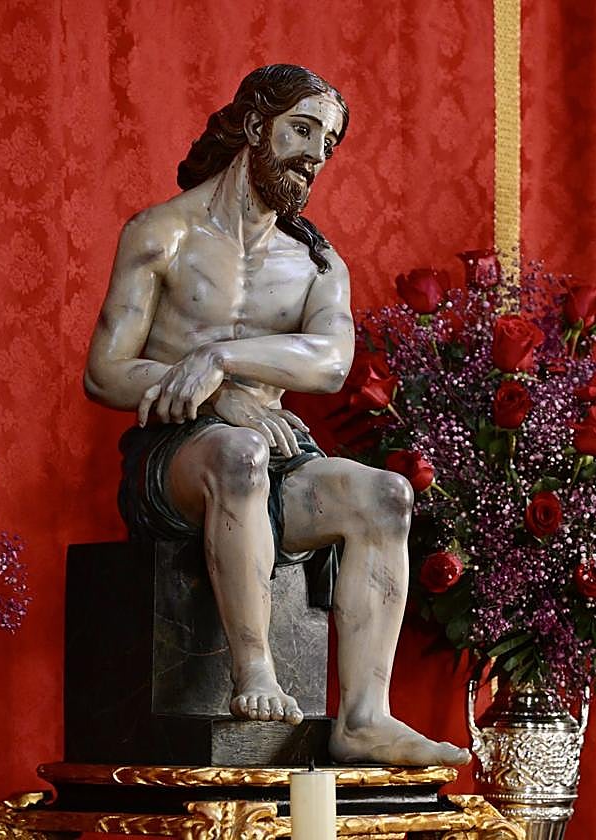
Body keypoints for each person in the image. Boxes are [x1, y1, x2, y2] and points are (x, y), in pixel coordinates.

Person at [83, 64, 468, 767]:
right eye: (301, 130)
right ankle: (255, 668)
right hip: (174, 460)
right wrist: (211, 394)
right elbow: (105, 371)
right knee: (238, 455)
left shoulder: (317, 265)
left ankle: (362, 716)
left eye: (327, 143)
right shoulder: (161, 234)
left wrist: (225, 359)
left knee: (387, 496)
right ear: (255, 126)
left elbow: (329, 362)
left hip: (274, 449)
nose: (314, 155)